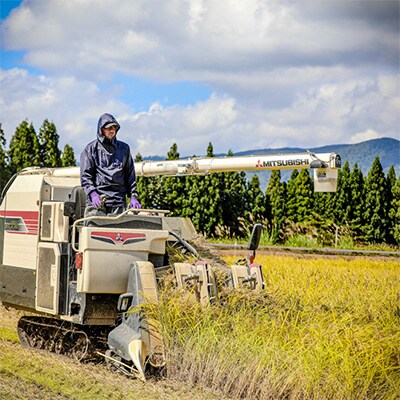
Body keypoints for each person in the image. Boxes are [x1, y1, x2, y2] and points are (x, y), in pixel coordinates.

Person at [80, 113, 141, 215]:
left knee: (119, 230)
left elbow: (130, 176)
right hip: (98, 203)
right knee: (94, 229)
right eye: (108, 128)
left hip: (118, 202)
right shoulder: (91, 149)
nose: (112, 130)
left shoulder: (124, 149)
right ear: (101, 129)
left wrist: (133, 196)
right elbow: (85, 176)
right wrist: (93, 193)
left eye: (114, 128)